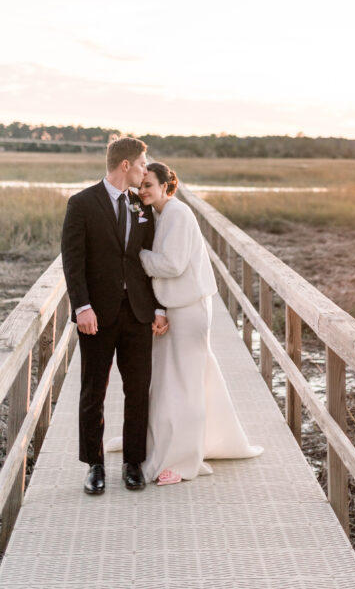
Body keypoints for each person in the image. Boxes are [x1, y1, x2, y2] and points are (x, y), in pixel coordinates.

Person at [110, 161, 262, 484]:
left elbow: (173, 265)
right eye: (141, 185)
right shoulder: (160, 215)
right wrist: (160, 309)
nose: (143, 191)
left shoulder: (178, 215)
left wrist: (133, 255)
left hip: (190, 311)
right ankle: (167, 446)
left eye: (149, 185)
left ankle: (183, 462)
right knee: (169, 383)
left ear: (166, 186)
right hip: (174, 307)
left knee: (185, 386)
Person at [60, 136, 168, 496]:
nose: (143, 170)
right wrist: (82, 307)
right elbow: (73, 261)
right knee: (94, 390)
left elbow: (146, 258)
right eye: (141, 164)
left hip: (137, 313)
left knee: (138, 389)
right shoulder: (82, 204)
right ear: (126, 165)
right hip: (98, 315)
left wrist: (157, 306)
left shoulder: (141, 205)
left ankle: (133, 462)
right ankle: (94, 464)